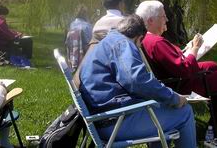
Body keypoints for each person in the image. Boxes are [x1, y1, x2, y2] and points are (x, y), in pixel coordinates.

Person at [78, 15, 197, 147]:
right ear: (139, 38)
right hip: (114, 123)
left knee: (159, 109)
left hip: (102, 119)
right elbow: (137, 80)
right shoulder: (122, 44)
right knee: (185, 112)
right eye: (140, 44)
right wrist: (174, 97)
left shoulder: (108, 42)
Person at [135, 0, 217, 130]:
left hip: (170, 79)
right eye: (163, 16)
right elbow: (184, 69)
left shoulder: (144, 38)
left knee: (211, 66)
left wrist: (185, 51)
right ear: (150, 20)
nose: (166, 19)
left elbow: (170, 60)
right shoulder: (156, 42)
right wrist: (195, 48)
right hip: (179, 86)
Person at [65, 4, 93, 71]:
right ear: (85, 14)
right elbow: (91, 40)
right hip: (85, 52)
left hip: (73, 53)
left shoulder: (72, 24)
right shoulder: (87, 26)